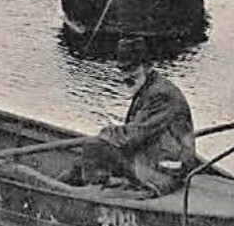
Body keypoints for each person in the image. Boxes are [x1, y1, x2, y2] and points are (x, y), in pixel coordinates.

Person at [68, 37, 198, 195]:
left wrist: (105, 135)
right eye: (123, 70)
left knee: (94, 146)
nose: (125, 76)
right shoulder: (147, 86)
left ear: (148, 67)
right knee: (82, 161)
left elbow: (132, 136)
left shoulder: (161, 95)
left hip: (164, 172)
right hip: (153, 158)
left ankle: (92, 196)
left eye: (132, 69)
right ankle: (74, 184)